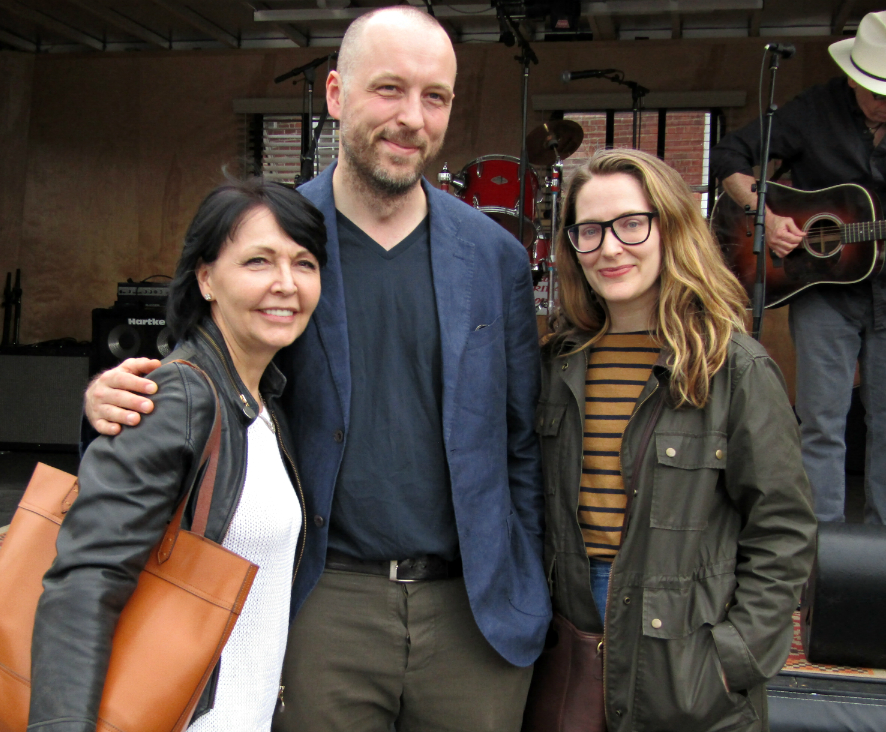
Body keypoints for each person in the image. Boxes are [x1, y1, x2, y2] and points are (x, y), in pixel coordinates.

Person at [82, 6, 549, 731]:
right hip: (320, 601)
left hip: (472, 618)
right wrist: (115, 399)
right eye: (388, 89)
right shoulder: (274, 241)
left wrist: (524, 590)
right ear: (336, 95)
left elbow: (521, 443)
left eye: (435, 97)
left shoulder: (496, 259)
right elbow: (200, 375)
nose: (412, 118)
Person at [29, 178, 327, 732]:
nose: (285, 284)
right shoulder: (179, 399)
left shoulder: (264, 403)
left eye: (304, 263)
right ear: (207, 278)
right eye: (258, 262)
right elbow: (86, 577)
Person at [539, 148, 817, 730]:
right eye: (589, 231)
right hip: (568, 645)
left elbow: (783, 531)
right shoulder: (552, 366)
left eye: (632, 224)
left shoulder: (735, 369)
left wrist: (733, 658)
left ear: (673, 228)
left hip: (687, 652)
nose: (610, 248)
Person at [711, 10, 886, 526]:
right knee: (822, 422)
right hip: (823, 292)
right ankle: (822, 551)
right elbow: (729, 156)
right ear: (855, 77)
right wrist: (766, 217)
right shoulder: (812, 111)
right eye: (880, 92)